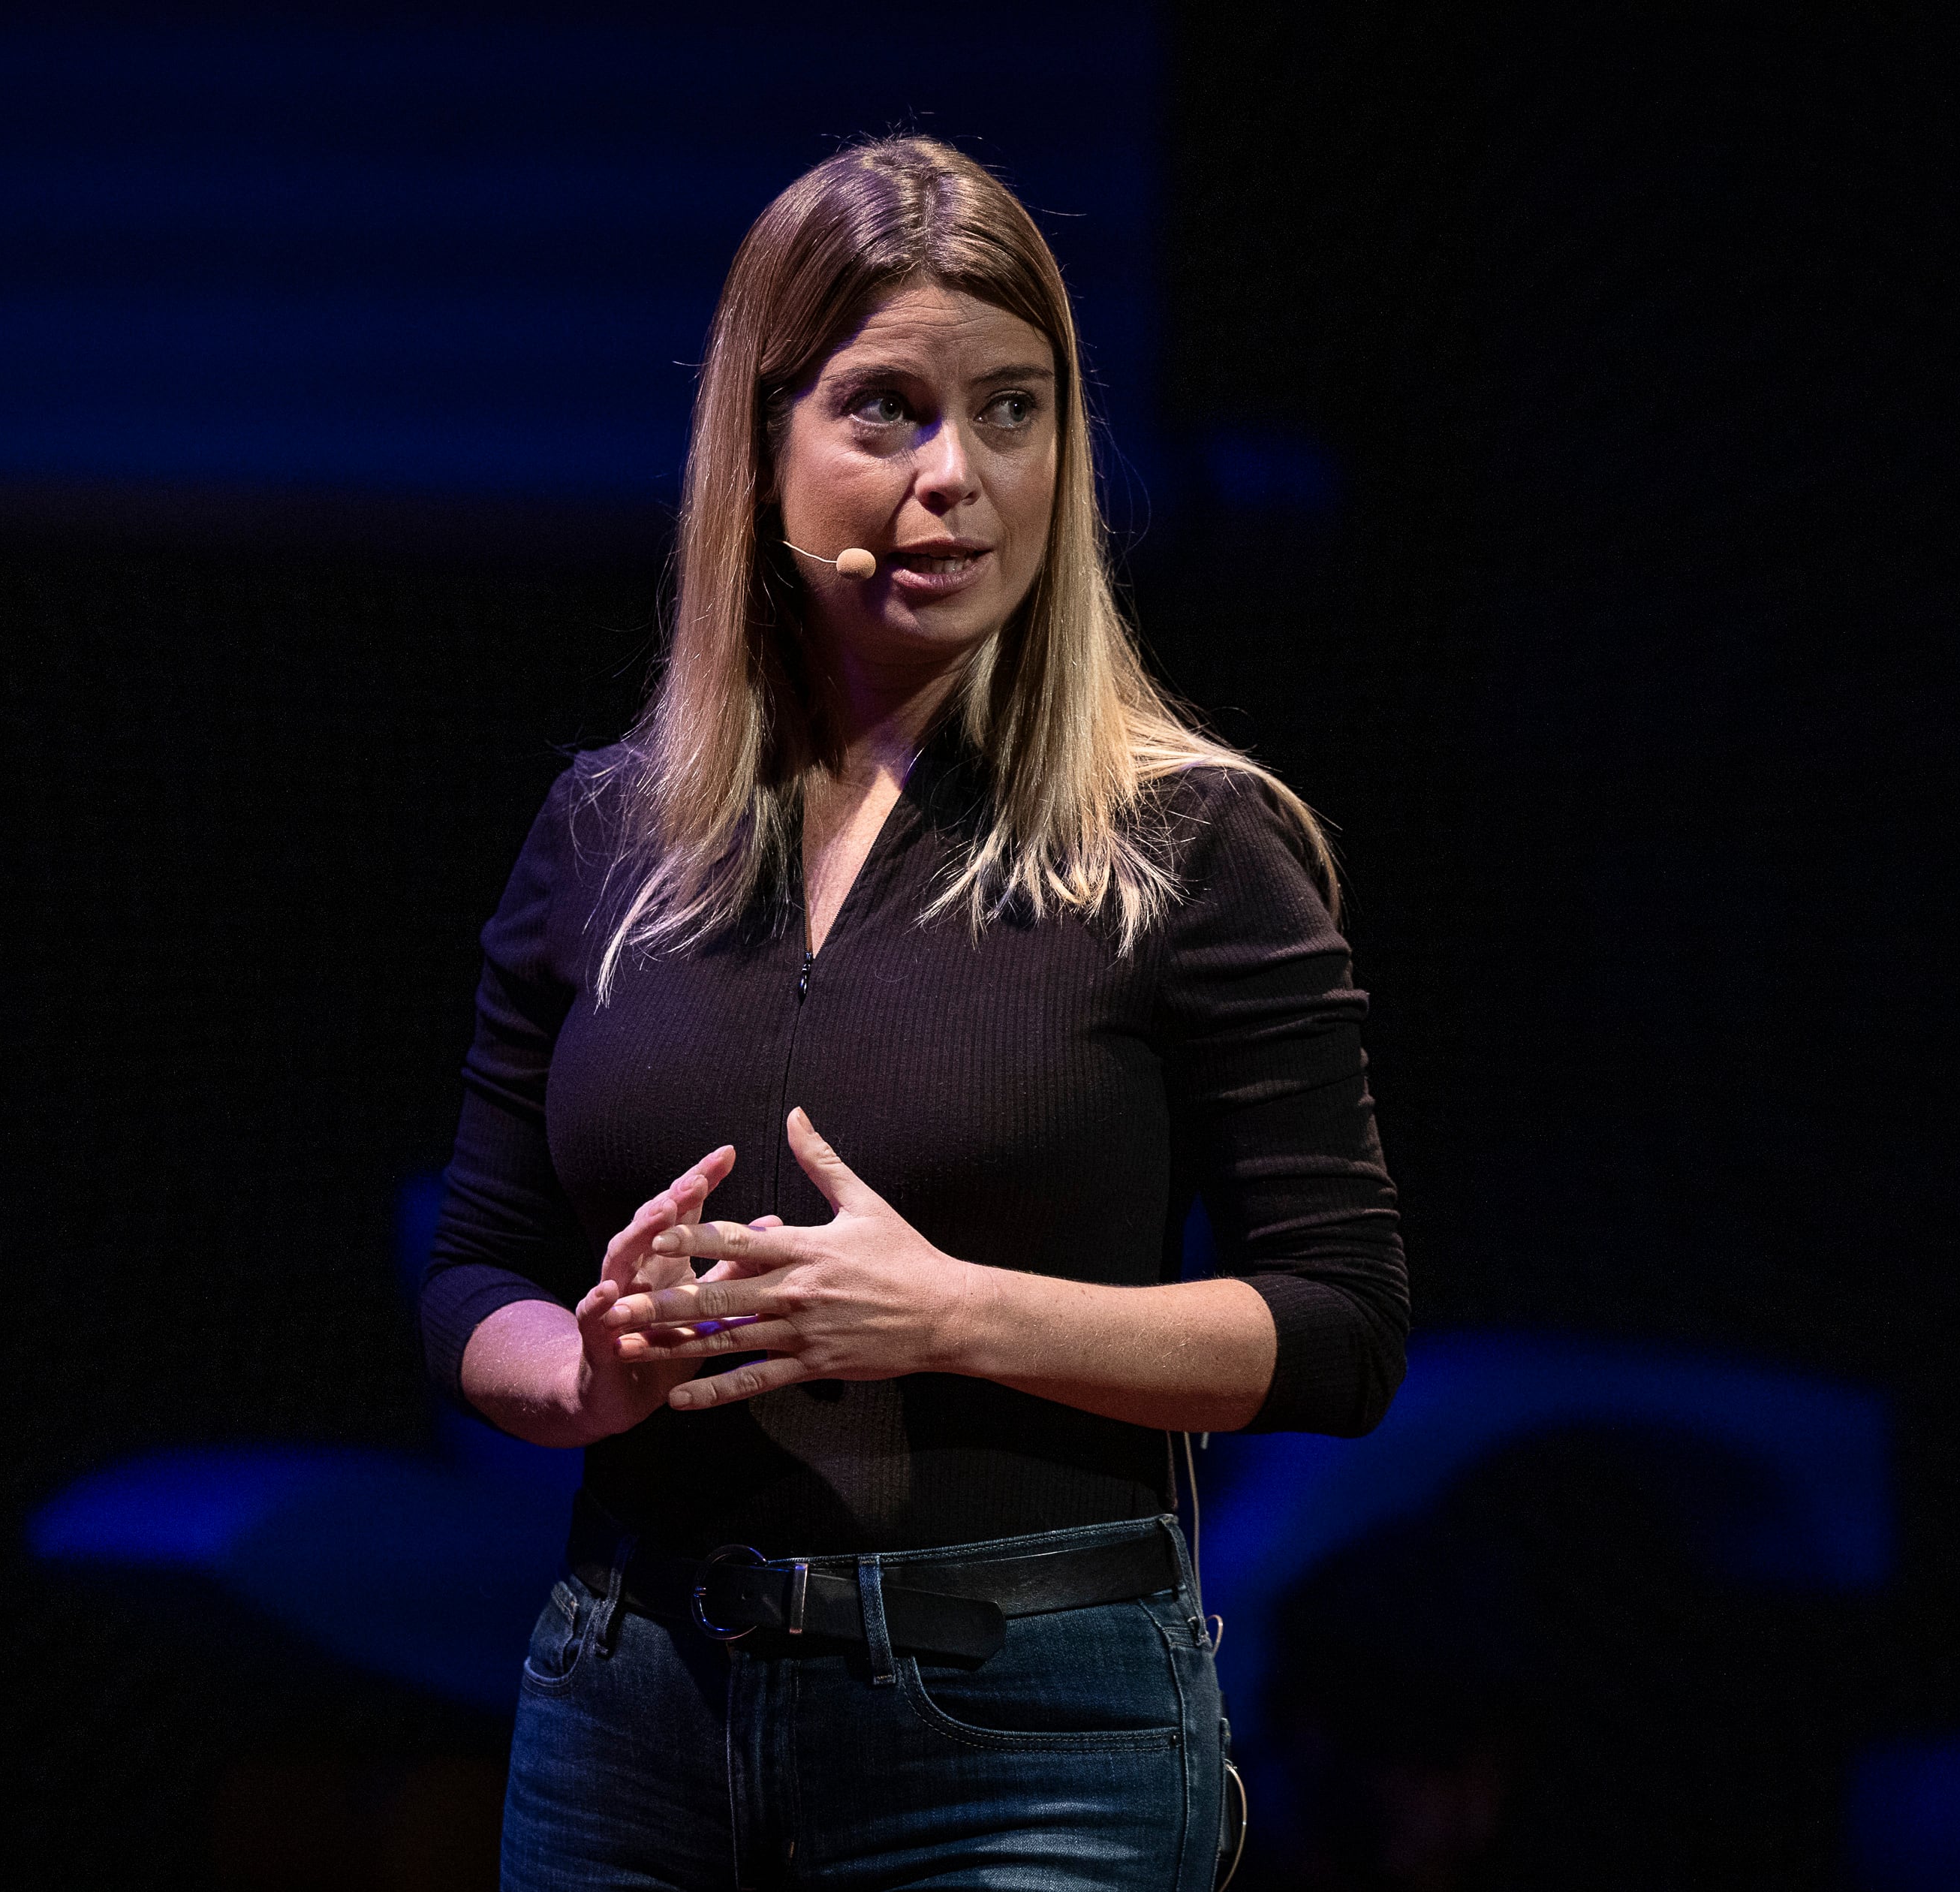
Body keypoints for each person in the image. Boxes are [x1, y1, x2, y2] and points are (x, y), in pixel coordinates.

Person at [418, 135, 1407, 1890]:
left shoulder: (1183, 843)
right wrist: (582, 1375)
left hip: (1027, 1737)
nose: (958, 476)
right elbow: (475, 1274)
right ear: (763, 442)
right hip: (632, 1709)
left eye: (1013, 411)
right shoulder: (607, 831)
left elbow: (1339, 1329)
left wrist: (953, 1316)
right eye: (886, 410)